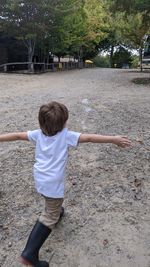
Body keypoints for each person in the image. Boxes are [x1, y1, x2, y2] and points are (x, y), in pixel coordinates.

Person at [0, 101, 131, 267]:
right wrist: (114, 139)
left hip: (40, 178)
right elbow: (90, 138)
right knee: (49, 216)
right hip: (52, 183)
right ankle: (29, 254)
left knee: (53, 203)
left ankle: (57, 210)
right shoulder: (66, 135)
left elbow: (17, 135)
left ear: (41, 122)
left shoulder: (37, 134)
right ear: (63, 123)